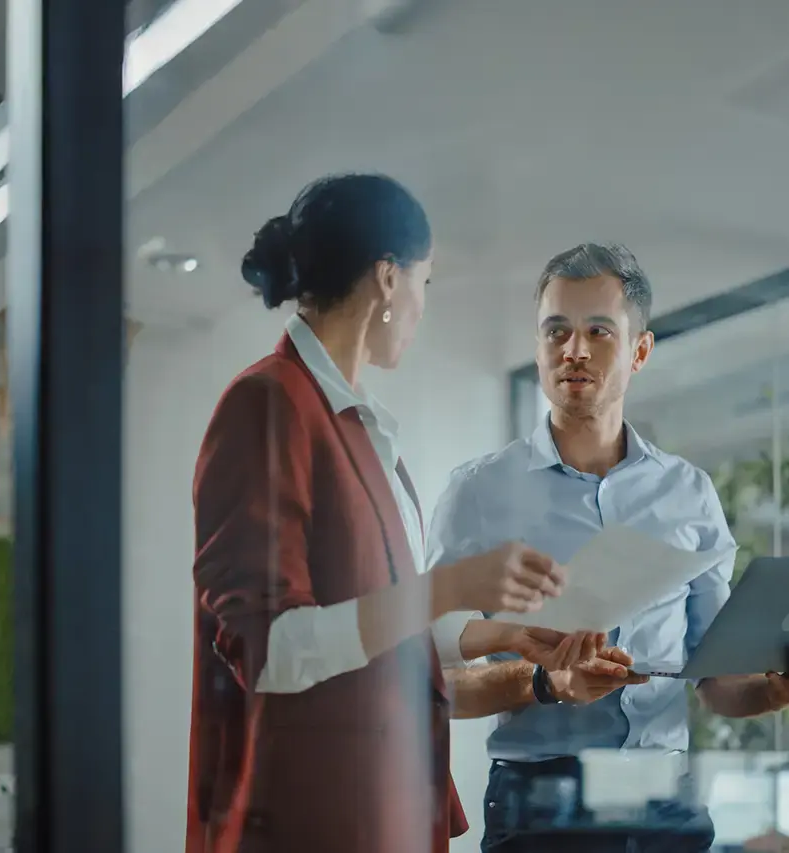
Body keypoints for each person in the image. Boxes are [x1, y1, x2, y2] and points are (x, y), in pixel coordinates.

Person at [185, 174, 606, 853]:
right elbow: (271, 651)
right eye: (425, 283)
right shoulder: (266, 404)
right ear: (387, 277)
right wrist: (451, 584)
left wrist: (499, 635)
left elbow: (379, 633)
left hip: (383, 811)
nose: (421, 304)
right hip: (310, 820)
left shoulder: (361, 428)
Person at [426, 242, 789, 852]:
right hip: (542, 807)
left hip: (667, 803)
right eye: (556, 331)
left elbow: (716, 679)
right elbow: (430, 680)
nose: (573, 350)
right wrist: (543, 680)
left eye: (598, 331)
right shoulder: (477, 492)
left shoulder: (689, 494)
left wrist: (775, 692)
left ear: (640, 351)